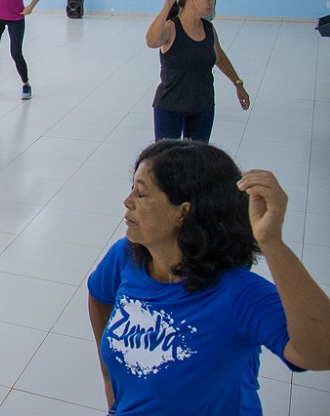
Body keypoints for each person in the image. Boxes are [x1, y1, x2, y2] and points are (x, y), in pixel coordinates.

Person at [88, 140, 330, 415]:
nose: (127, 201)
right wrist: (109, 380)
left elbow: (321, 353)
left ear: (183, 212)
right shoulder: (126, 257)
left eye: (141, 194)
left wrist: (272, 242)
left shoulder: (238, 294)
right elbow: (98, 298)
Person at [146, 0, 249, 142]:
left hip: (203, 105)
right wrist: (168, 5)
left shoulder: (208, 28)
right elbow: (151, 41)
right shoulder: (171, 28)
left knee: (197, 161)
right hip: (170, 106)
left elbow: (219, 57)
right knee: (165, 160)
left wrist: (238, 84)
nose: (212, 3)